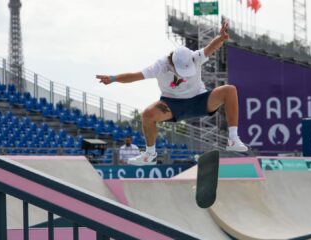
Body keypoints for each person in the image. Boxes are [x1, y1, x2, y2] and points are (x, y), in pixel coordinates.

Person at [97, 21, 249, 166]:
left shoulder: (195, 57)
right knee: (147, 115)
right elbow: (135, 76)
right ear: (171, 63)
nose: (184, 75)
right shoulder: (160, 66)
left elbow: (211, 47)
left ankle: (233, 138)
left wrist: (221, 38)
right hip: (172, 105)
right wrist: (112, 78)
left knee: (230, 90)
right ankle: (150, 154)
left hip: (200, 100)